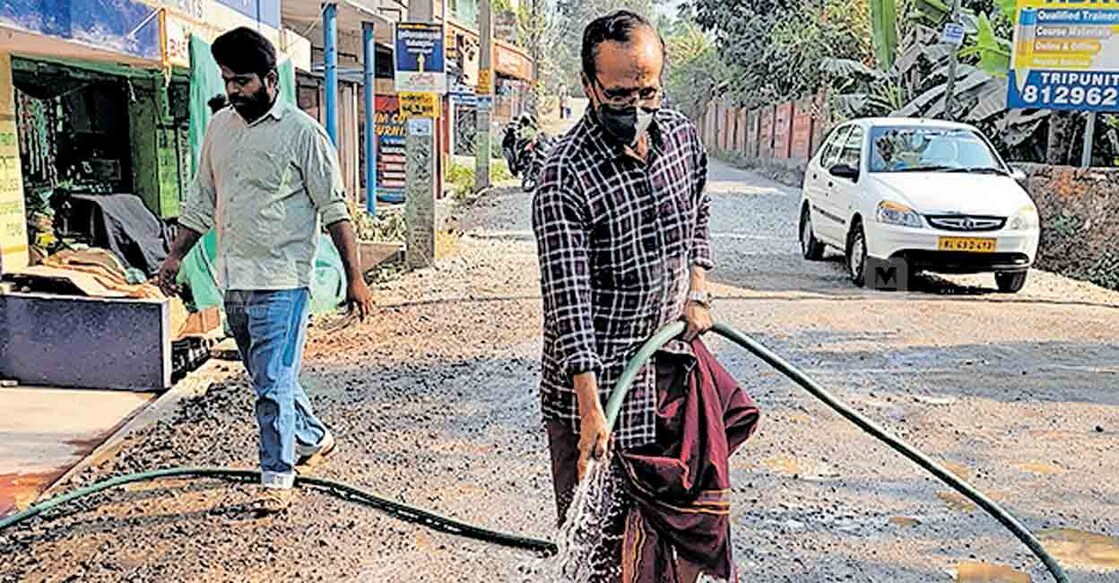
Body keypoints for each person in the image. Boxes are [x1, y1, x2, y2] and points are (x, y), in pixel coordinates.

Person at [156, 27, 374, 514]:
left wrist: (354, 276)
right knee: (268, 377)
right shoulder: (220, 130)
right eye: (228, 80)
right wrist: (175, 256)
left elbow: (334, 209)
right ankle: (314, 437)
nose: (233, 90)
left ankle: (276, 474)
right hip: (233, 277)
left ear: (271, 79)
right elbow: (201, 201)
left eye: (243, 81)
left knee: (272, 381)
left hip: (283, 280)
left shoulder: (303, 133)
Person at [531, 10, 717, 577]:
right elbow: (571, 304)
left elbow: (700, 205)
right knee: (598, 553)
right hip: (595, 394)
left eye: (648, 90)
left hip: (665, 373)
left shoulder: (681, 135)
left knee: (673, 535)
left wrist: (698, 286)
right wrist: (591, 408)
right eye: (618, 94)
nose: (635, 106)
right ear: (589, 87)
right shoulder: (564, 175)